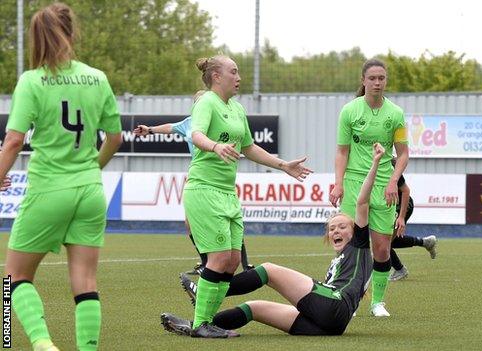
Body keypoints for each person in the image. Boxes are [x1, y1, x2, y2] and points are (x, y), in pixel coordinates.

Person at [161, 143, 384, 336]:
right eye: (332, 228)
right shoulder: (342, 261)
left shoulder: (360, 245)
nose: (336, 231)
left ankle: (205, 290)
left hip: (334, 305)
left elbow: (362, 202)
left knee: (268, 270)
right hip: (332, 324)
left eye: (342, 227)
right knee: (254, 308)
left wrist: (375, 162)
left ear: (355, 232)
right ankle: (198, 326)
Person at [0, 3, 122, 351]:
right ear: (71, 32)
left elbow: (13, 140)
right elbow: (115, 138)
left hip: (49, 189)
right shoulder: (97, 78)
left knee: (14, 278)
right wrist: (92, 169)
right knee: (85, 281)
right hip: (90, 192)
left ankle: (42, 344)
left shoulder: (33, 80)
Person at [179, 55, 312, 338]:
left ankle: (206, 320)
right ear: (216, 76)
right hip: (204, 190)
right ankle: (201, 324)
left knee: (230, 261)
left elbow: (249, 148)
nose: (239, 77)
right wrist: (215, 146)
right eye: (234, 72)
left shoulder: (237, 108)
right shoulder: (207, 102)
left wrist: (283, 165)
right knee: (217, 258)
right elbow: (196, 134)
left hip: (227, 194)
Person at [132, 99, 254, 275]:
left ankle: (244, 263)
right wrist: (150, 130)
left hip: (218, 177)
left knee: (229, 222)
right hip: (199, 176)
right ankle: (206, 263)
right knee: (189, 224)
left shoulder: (221, 119)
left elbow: (247, 146)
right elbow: (170, 127)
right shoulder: (189, 123)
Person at [329, 59, 409, 317]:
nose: (377, 82)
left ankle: (378, 302)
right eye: (372, 78)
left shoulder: (395, 114)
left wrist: (392, 181)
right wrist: (338, 183)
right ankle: (348, 298)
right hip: (354, 184)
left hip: (383, 185)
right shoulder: (349, 111)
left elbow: (404, 153)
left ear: (386, 81)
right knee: (351, 245)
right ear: (363, 80)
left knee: (382, 248)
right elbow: (342, 151)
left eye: (381, 78)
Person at [388, 158, 437, 282]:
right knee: (387, 242)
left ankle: (400, 270)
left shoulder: (388, 167)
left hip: (401, 206)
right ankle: (425, 242)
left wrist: (401, 217)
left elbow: (406, 191)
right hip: (388, 207)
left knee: (383, 243)